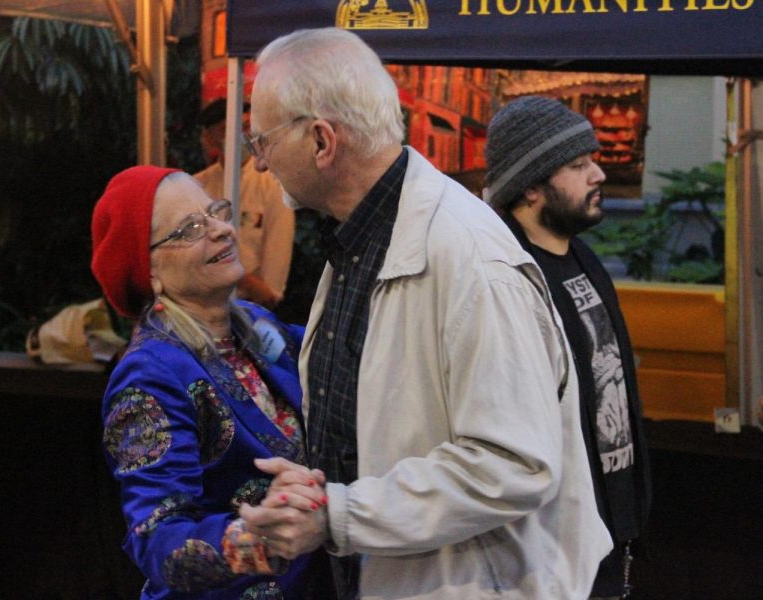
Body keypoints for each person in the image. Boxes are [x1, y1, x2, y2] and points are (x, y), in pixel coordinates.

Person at [237, 27, 612, 599]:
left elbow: (514, 463)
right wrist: (317, 492)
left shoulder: (467, 254)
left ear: (321, 141)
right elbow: (373, 435)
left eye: (262, 141)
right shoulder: (363, 240)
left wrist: (337, 514)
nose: (259, 163)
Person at [90, 166, 331, 599]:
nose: (222, 230)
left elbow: (334, 369)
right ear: (151, 273)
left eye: (216, 212)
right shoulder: (149, 374)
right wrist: (260, 537)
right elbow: (158, 538)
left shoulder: (255, 326)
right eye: (190, 228)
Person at [484, 95, 652, 599]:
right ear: (532, 186)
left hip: (611, 529)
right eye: (578, 165)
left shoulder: (582, 256)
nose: (598, 174)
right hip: (550, 548)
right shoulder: (508, 277)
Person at [193, 98, 295, 310]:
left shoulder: (274, 186)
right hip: (202, 308)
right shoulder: (195, 187)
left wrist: (229, 275)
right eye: (225, 130)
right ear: (208, 139)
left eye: (246, 127)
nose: (238, 136)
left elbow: (270, 292)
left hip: (253, 312)